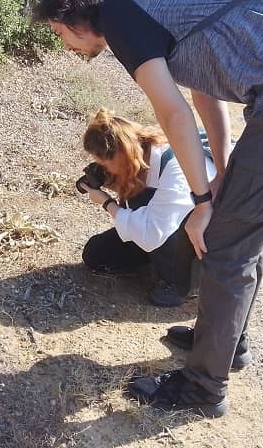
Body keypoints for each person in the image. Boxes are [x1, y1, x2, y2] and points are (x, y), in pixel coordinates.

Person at [31, 0, 263, 418]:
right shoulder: (146, 1)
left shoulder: (121, 18)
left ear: (72, 17)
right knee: (239, 225)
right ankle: (225, 344)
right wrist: (221, 173)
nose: (65, 46)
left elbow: (173, 116)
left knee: (227, 242)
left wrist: (203, 202)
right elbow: (207, 90)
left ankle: (203, 388)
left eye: (59, 34)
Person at [77, 108, 214, 307]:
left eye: (104, 165)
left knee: (142, 205)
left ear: (122, 153)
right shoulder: (140, 153)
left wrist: (107, 203)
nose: (104, 170)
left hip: (203, 237)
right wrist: (110, 181)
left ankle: (186, 284)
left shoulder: (176, 168)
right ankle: (158, 262)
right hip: (161, 226)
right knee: (95, 255)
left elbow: (152, 232)